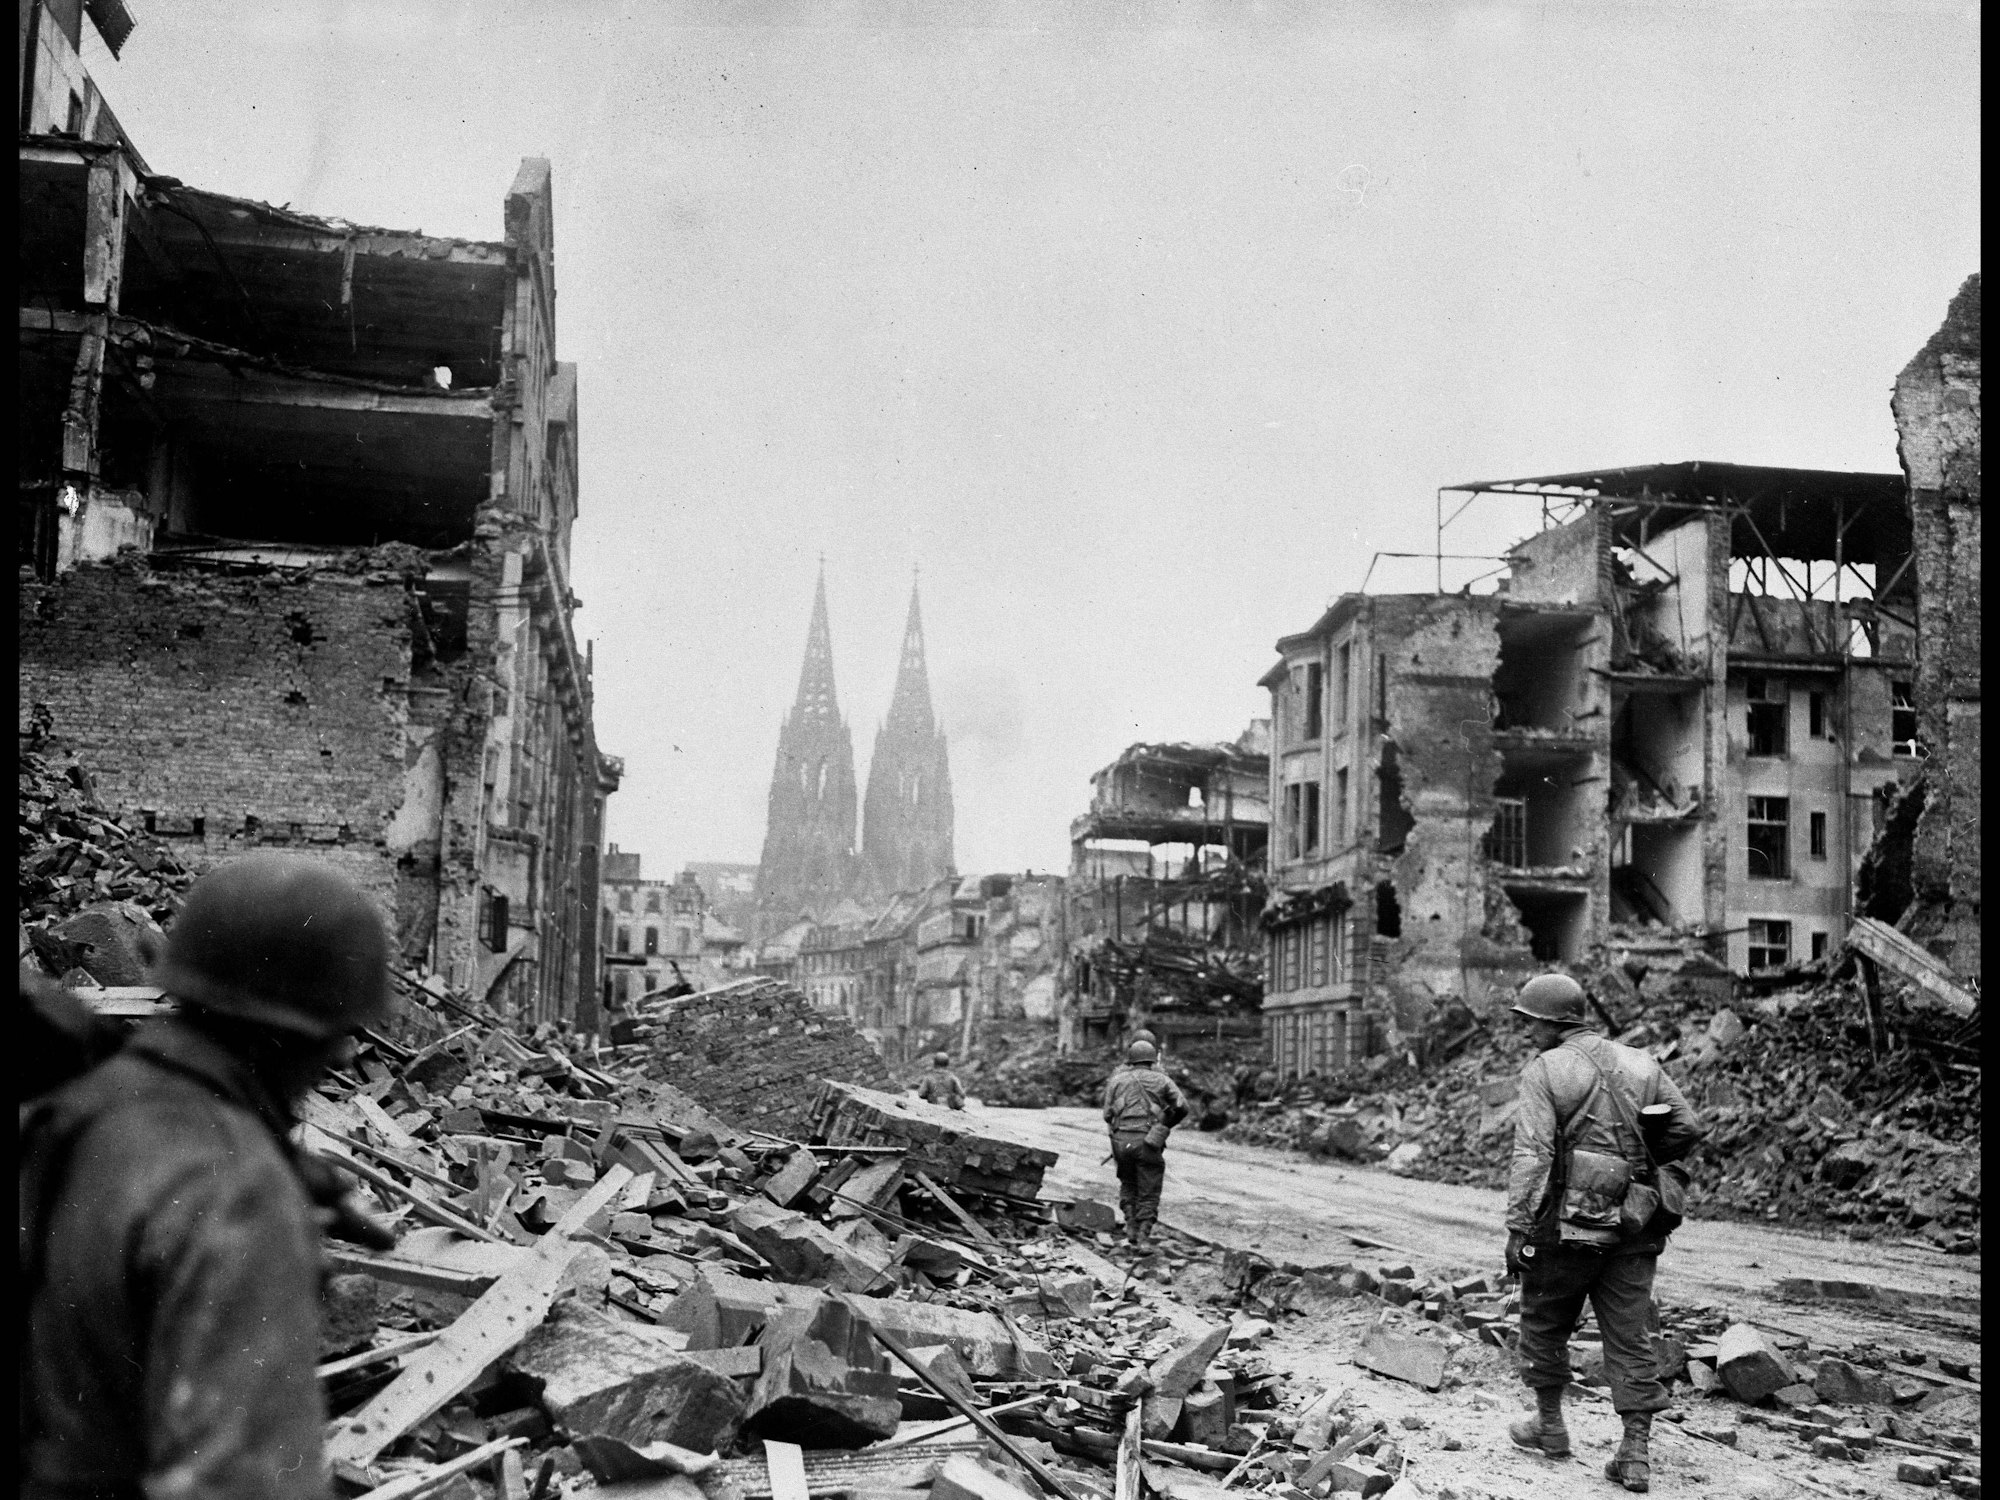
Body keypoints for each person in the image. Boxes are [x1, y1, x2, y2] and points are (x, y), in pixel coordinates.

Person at [21, 852, 399, 1500]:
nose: (344, 1055)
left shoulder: (65, 1111)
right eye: (342, 1033)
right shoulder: (240, 1195)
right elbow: (240, 1483)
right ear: (314, 1035)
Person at [1503, 973, 1706, 1494]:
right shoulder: (1641, 1062)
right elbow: (1687, 1128)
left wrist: (1519, 1226)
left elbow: (1533, 1155)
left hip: (1564, 1227)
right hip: (1635, 1225)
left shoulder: (1545, 1070)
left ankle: (1550, 1427)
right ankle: (1634, 1453)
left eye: (1532, 1023)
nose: (1528, 1033)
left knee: (1544, 1320)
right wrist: (1632, 1166)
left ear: (1555, 1022)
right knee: (1631, 1335)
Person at [1101, 1038, 1188, 1252]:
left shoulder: (1116, 1080)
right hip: (1147, 1141)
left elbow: (1106, 1115)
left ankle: (1130, 1228)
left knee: (1128, 1183)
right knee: (1149, 1189)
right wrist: (1165, 1126)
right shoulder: (1162, 1080)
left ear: (1131, 1060)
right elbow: (1182, 1106)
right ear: (1152, 1060)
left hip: (1121, 1143)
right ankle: (1142, 1237)